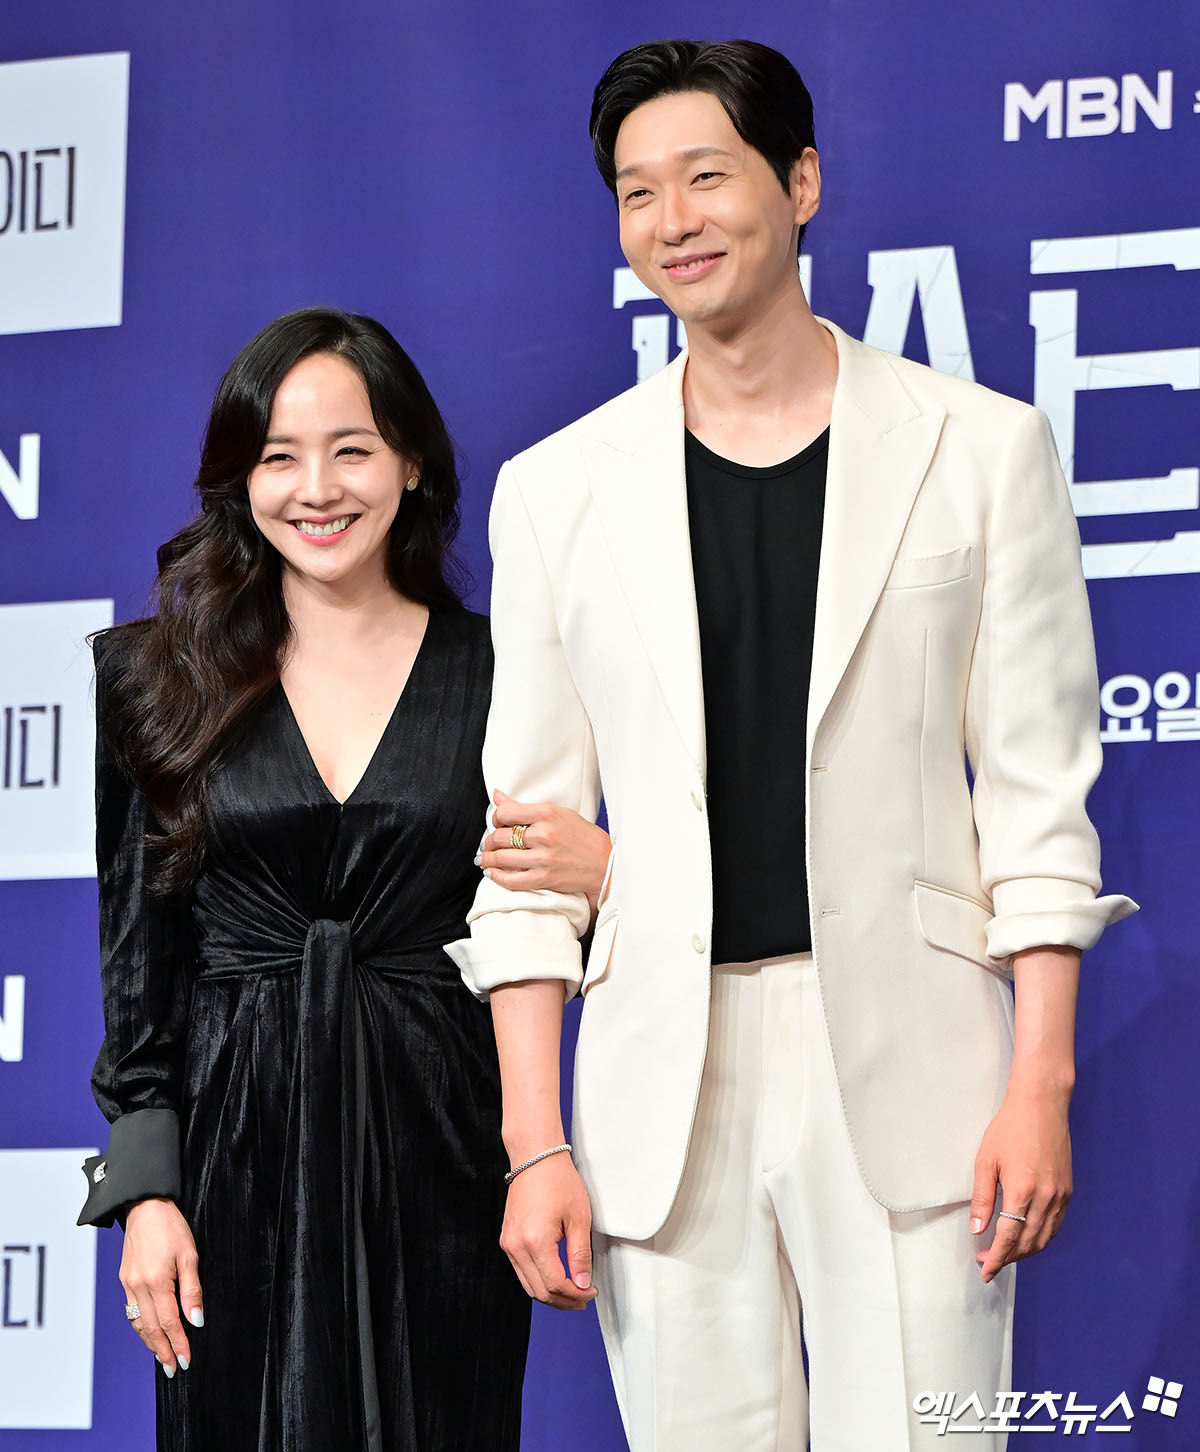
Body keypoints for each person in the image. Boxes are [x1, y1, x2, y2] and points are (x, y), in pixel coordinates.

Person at [448, 39, 1137, 1452]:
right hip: (660, 1081)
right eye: (638, 193)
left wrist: (1039, 1085)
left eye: (707, 176)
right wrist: (534, 1142)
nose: (674, 221)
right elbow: (522, 863)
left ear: (802, 182)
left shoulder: (979, 449)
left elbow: (1036, 811)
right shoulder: (558, 492)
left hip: (916, 1070)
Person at [76, 307, 611, 1452]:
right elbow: (138, 964)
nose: (316, 490)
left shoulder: (503, 671)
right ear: (242, 479)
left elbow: (537, 909)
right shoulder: (153, 678)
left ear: (411, 463)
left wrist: (612, 878)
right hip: (228, 1161)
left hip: (443, 1145)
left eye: (352, 450)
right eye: (279, 457)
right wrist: (146, 1194)